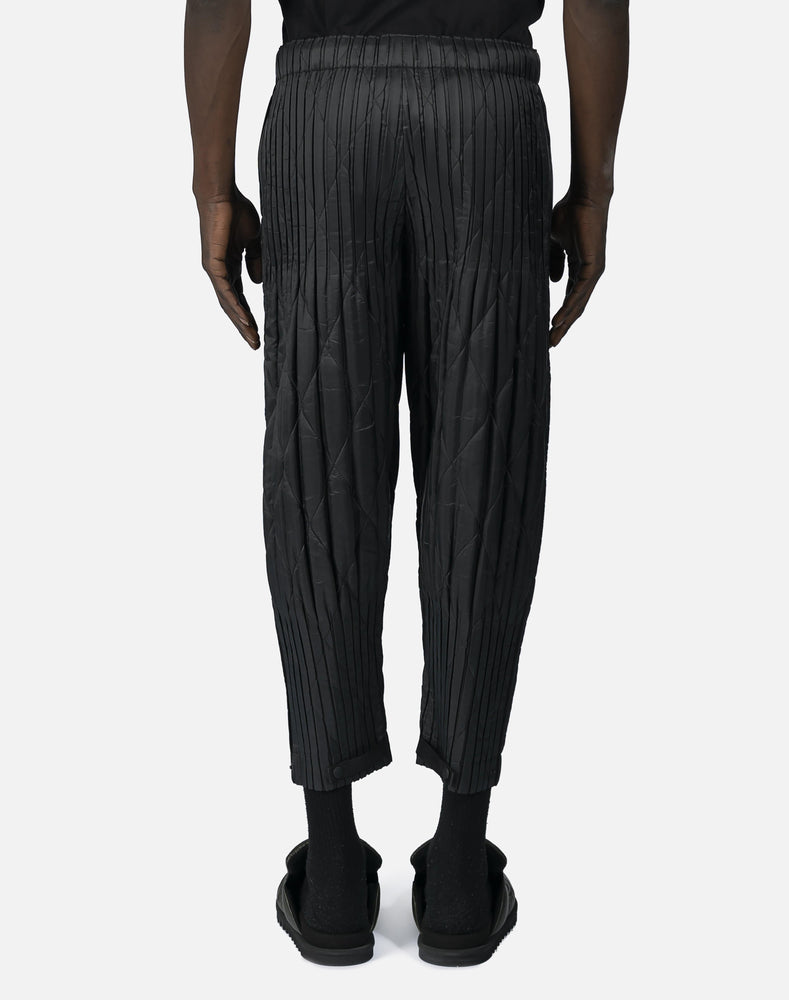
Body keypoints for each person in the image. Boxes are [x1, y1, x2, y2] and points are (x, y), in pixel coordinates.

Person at [184, 0, 629, 967]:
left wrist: (212, 185)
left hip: (322, 118)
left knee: (318, 477)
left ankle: (332, 872)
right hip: (489, 119)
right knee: (486, 474)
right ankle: (461, 874)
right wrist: (593, 188)